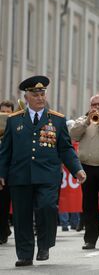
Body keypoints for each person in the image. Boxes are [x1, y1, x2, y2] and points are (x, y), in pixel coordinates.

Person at [0, 76, 86, 267]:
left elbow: (65, 148)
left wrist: (77, 169)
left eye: (42, 94)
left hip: (48, 175)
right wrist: (1, 173)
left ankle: (45, 245)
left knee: (47, 207)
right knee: (22, 216)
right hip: (20, 175)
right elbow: (5, 150)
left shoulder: (57, 119)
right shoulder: (14, 121)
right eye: (35, 94)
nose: (39, 97)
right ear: (27, 96)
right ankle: (24, 254)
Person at [70, 94, 99, 250]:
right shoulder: (82, 120)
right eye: (94, 104)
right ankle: (90, 239)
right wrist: (86, 122)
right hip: (87, 167)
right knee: (89, 204)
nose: (97, 107)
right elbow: (73, 135)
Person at [0, 100, 14, 244]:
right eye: (2, 111)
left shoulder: (15, 127)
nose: (4, 114)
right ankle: (4, 229)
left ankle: (3, 230)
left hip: (10, 171)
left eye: (7, 112)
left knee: (4, 203)